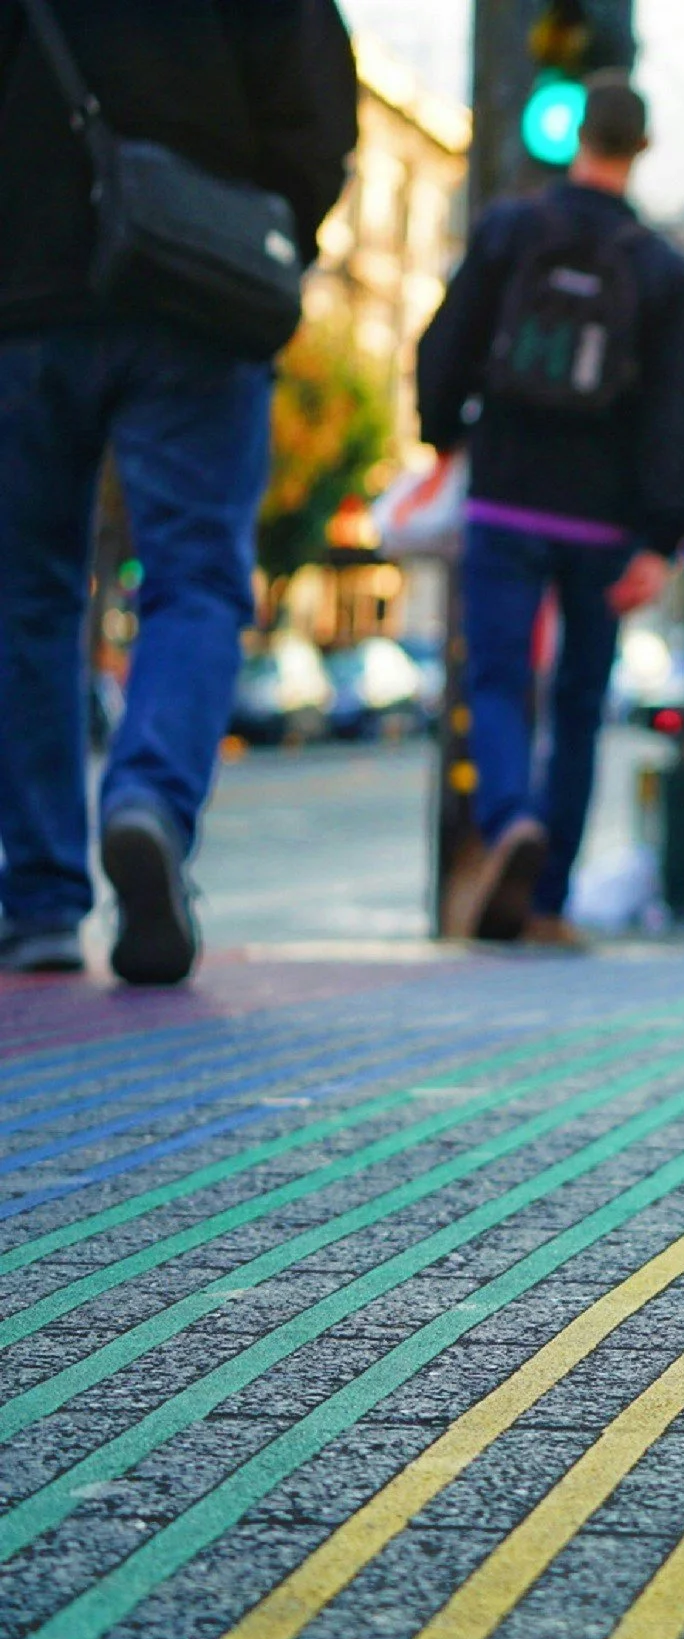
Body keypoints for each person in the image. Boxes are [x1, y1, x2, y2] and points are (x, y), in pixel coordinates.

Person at [0, 0, 358, 982]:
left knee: (28, 595)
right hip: (195, 287)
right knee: (195, 576)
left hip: (24, 298)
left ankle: (36, 899)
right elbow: (318, 118)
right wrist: (267, 231)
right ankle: (148, 799)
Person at [416, 74, 684, 947]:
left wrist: (444, 434)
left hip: (506, 493)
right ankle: (546, 897)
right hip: (603, 520)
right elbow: (675, 412)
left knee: (500, 677)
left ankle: (507, 821)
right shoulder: (662, 270)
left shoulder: (511, 230)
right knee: (580, 702)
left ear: (576, 134)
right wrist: (663, 535)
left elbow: (446, 344)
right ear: (643, 147)